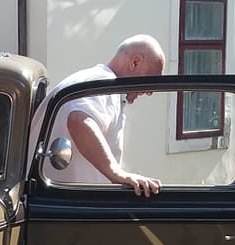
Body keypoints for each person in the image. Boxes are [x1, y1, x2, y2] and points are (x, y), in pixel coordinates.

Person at [31, 34, 166, 197]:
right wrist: (116, 173)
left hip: (52, 201)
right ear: (135, 62)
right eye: (150, 80)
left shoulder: (91, 81)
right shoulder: (105, 85)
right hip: (65, 206)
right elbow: (78, 120)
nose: (150, 92)